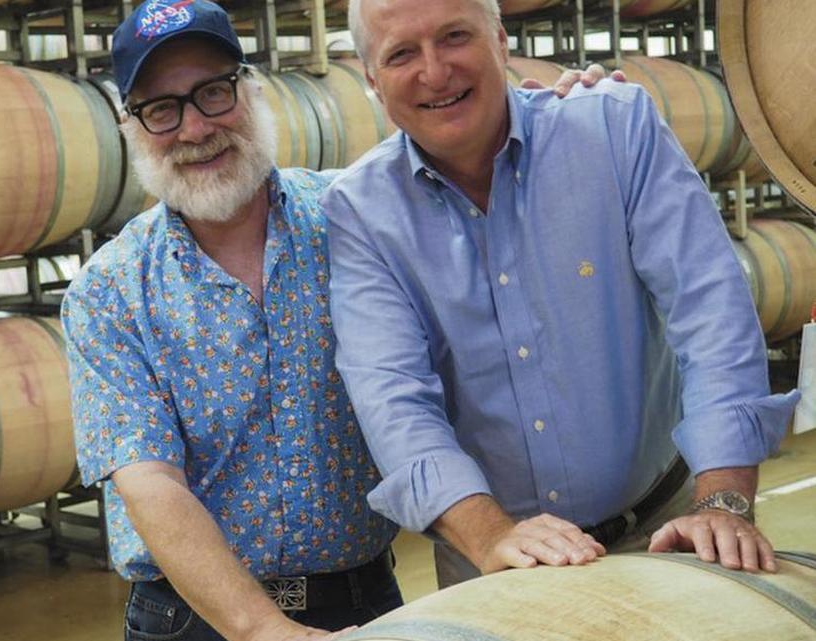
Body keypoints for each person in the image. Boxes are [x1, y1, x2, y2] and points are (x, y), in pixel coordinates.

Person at [61, 1, 619, 639]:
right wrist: (264, 629)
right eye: (162, 109)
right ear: (132, 126)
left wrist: (557, 126)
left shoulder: (356, 217)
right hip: (195, 618)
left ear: (253, 90)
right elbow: (150, 483)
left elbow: (486, 192)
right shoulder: (108, 291)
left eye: (214, 93)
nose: (194, 129)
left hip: (363, 601)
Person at [324, 0, 801, 589]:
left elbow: (711, 313)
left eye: (454, 37)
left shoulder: (613, 129)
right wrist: (488, 533)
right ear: (370, 80)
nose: (435, 71)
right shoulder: (360, 211)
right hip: (495, 558)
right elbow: (391, 395)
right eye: (401, 54)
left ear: (500, 42)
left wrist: (724, 499)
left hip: (668, 530)